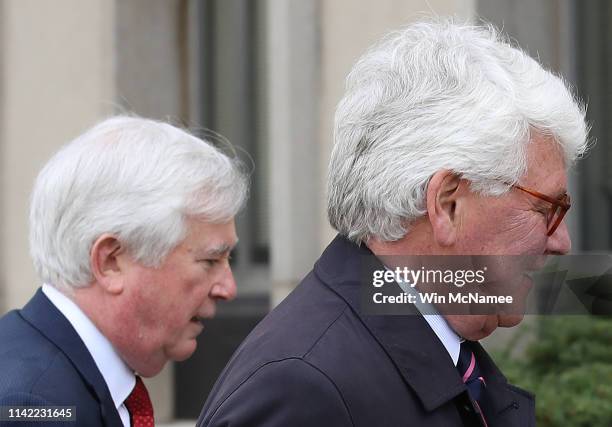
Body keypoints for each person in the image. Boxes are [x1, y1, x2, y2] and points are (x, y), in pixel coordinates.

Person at [197, 19, 588, 427]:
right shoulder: (303, 388)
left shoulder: (428, 355)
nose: (560, 241)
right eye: (546, 210)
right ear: (448, 204)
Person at [0, 116, 247, 426]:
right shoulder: (32, 407)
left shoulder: (68, 378)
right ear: (111, 261)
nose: (229, 288)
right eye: (210, 261)